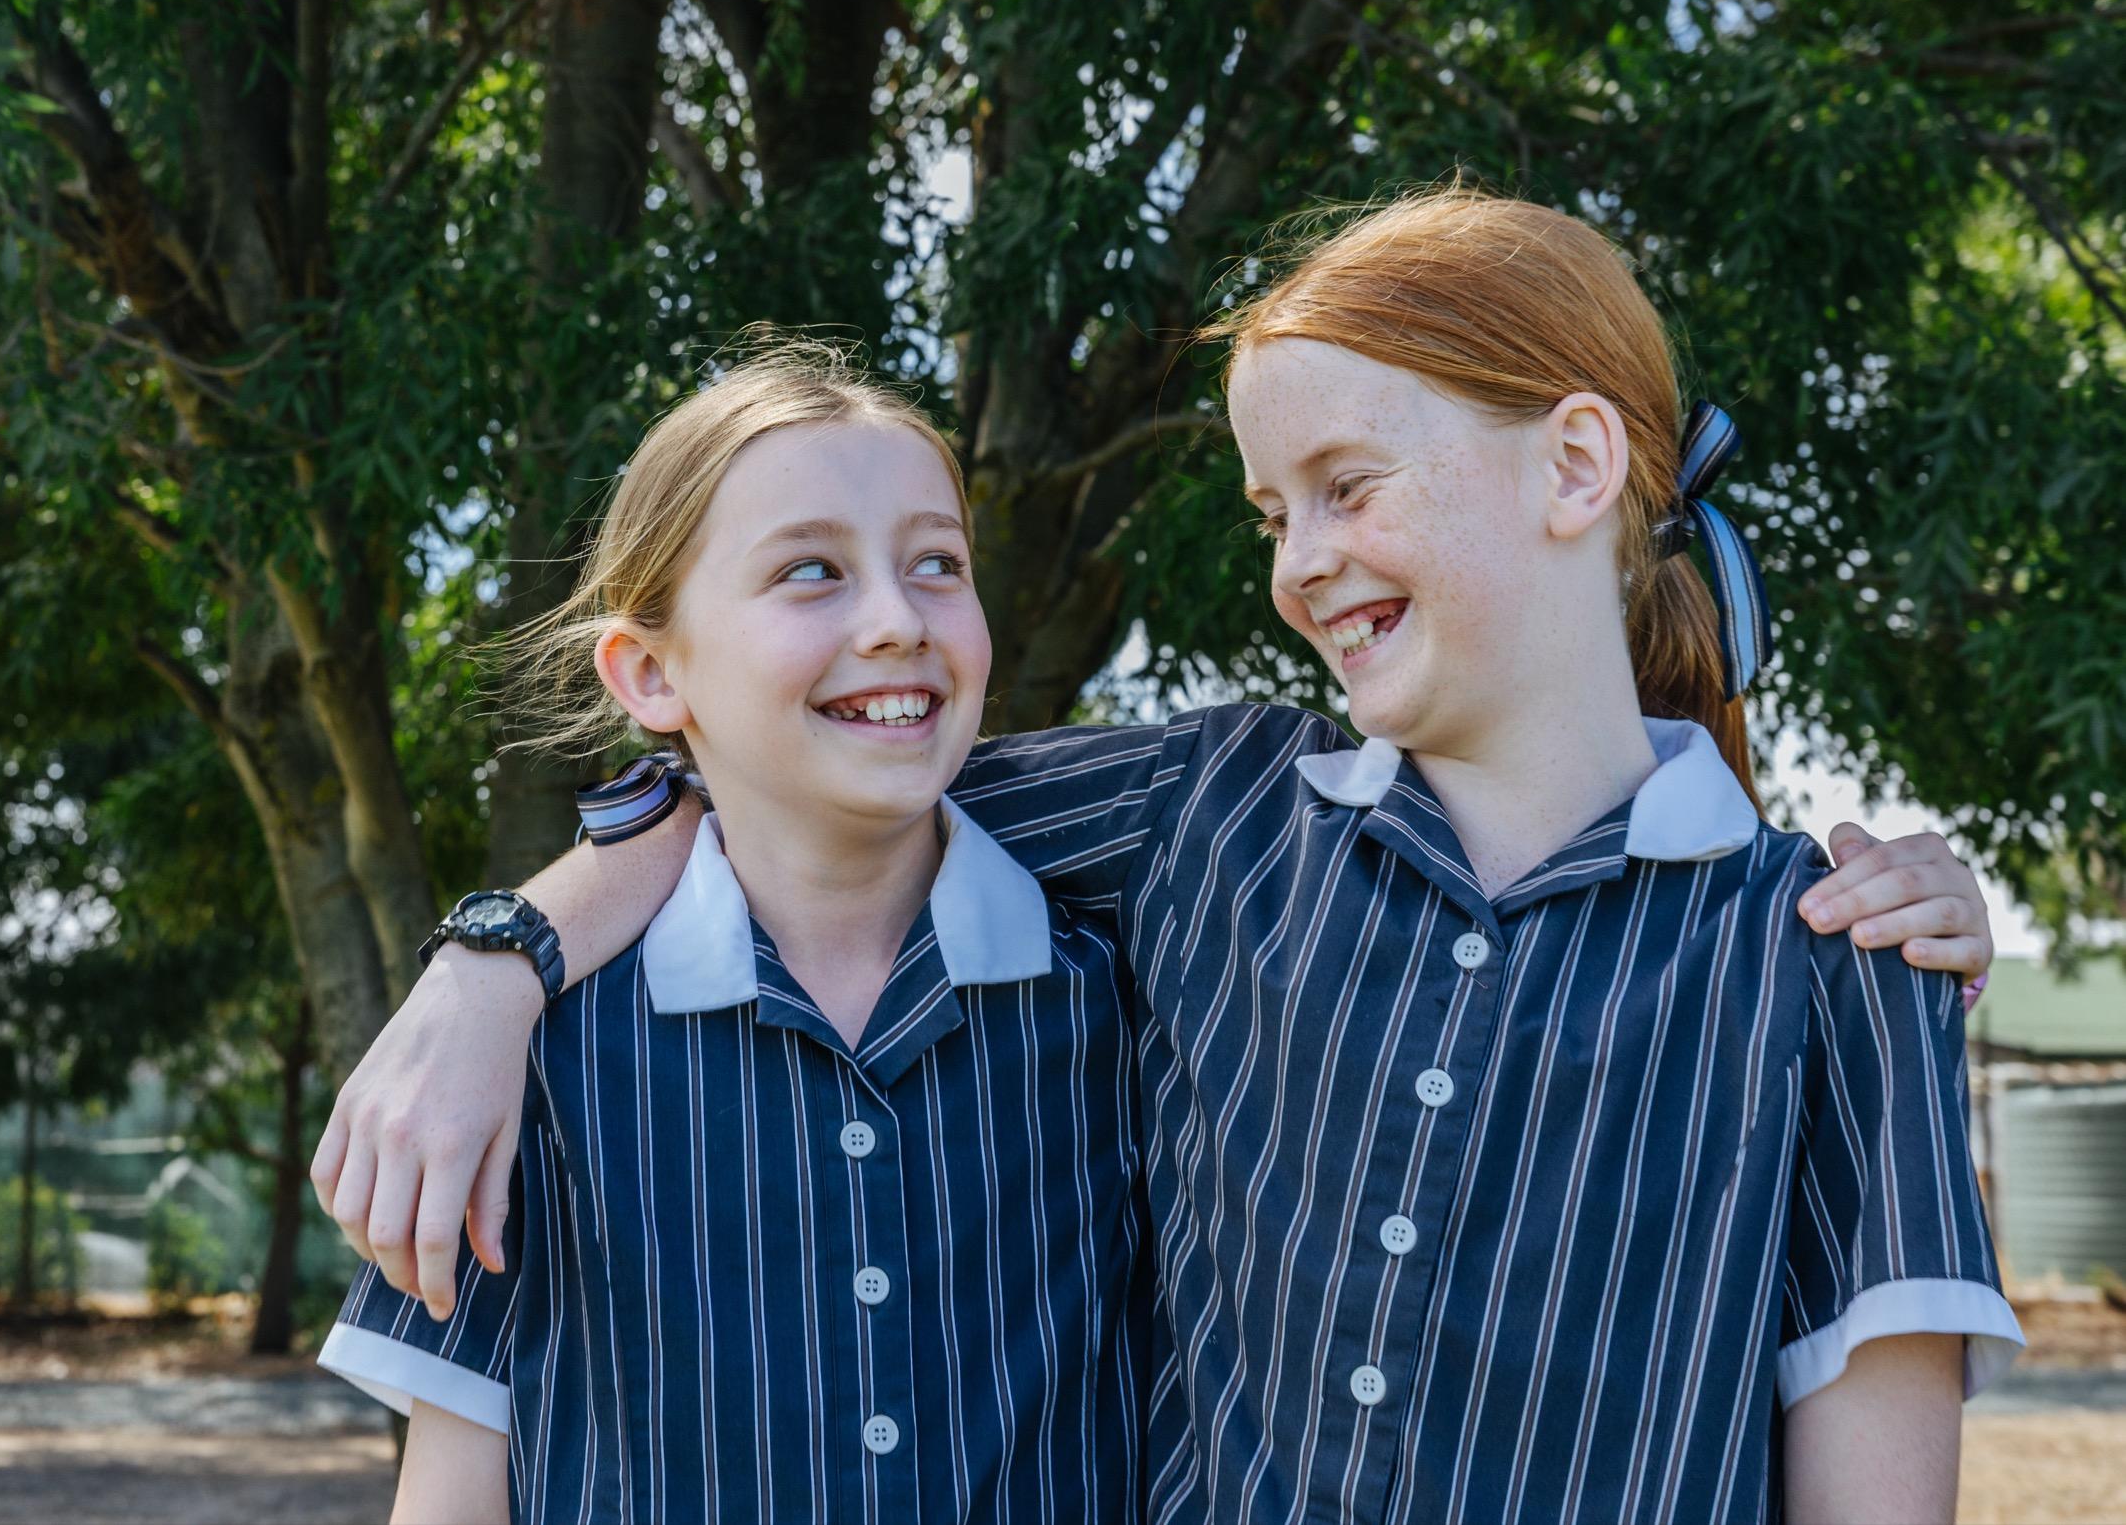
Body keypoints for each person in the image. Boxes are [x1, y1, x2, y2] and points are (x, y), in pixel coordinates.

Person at [317, 190, 2018, 1520]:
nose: (1299, 564)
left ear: (1576, 464)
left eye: (1347, 484)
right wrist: (498, 963)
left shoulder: (1831, 959)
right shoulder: (1208, 815)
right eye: (1275, 512)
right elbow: (803, 776)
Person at [315, 346, 1159, 1524]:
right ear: (652, 672)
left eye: (937, 563)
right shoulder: (531, 1060)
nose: (893, 619)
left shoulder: (1125, 998)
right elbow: (454, 1494)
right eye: (812, 570)